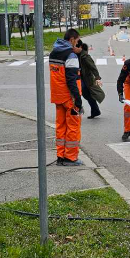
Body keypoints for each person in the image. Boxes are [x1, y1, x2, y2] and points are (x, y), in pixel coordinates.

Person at [49, 29, 84, 166]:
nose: (77, 43)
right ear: (71, 39)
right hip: (70, 98)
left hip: (58, 96)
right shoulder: (70, 55)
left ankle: (60, 156)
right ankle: (70, 157)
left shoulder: (54, 52)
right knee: (73, 127)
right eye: (77, 41)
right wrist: (78, 98)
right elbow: (71, 79)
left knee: (61, 127)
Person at [79, 42, 104, 119]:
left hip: (86, 79)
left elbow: (93, 67)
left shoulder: (85, 56)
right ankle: (95, 110)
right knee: (87, 95)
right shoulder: (77, 55)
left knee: (83, 92)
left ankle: (93, 110)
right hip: (81, 78)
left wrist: (97, 78)